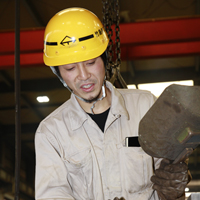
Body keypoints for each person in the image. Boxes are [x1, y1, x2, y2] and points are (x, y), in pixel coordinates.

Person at [35, 7, 190, 200]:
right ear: (59, 74)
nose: (84, 76)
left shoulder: (145, 106)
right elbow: (53, 195)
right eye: (70, 68)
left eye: (91, 63)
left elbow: (167, 172)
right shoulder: (51, 132)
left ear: (105, 59)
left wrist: (172, 192)